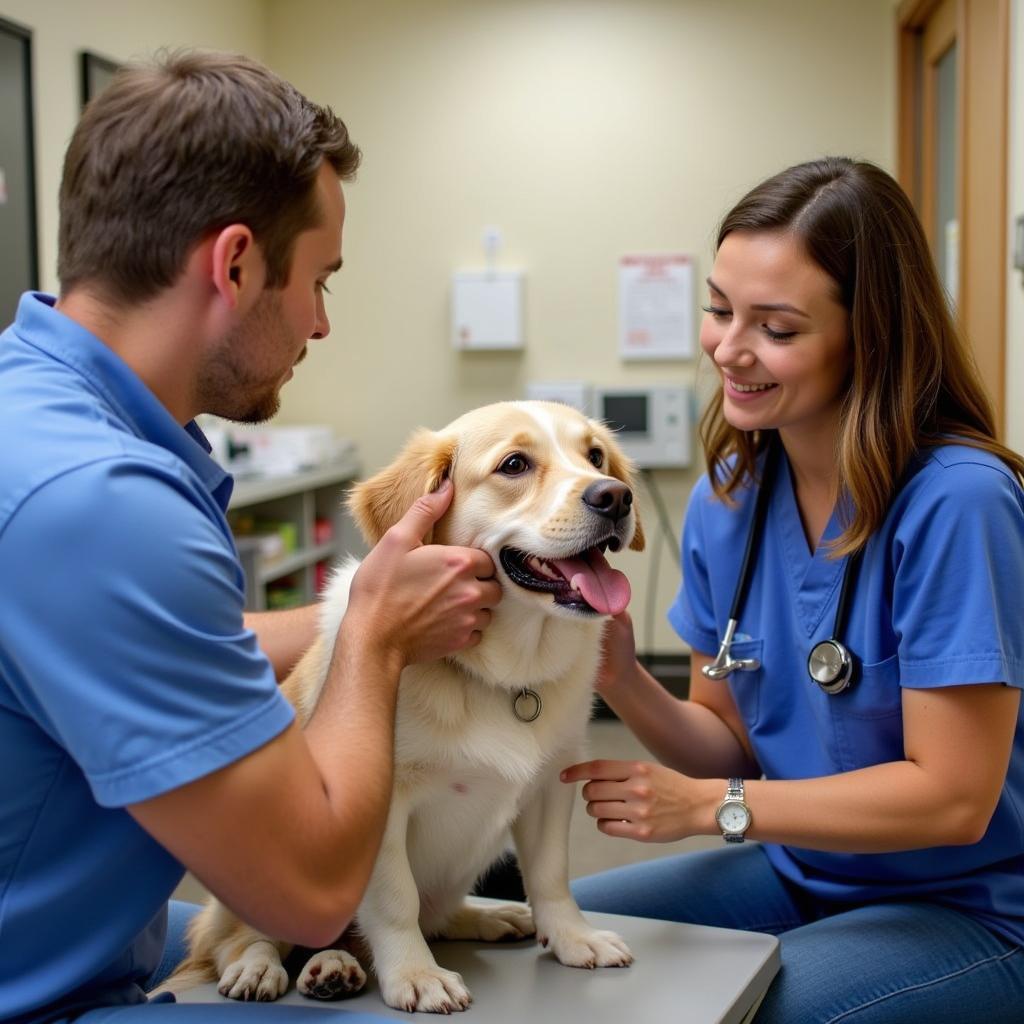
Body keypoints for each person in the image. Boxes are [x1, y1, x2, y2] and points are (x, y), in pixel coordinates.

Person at [0, 51, 501, 1024]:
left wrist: (361, 605)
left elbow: (195, 652)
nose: (319, 321)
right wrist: (372, 637)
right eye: (319, 280)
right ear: (233, 263)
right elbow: (307, 894)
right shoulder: (103, 505)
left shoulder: (35, 410)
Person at [563, 157, 1024, 1022]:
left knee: (740, 1012)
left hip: (972, 907)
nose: (730, 349)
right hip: (797, 862)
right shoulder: (729, 498)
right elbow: (729, 742)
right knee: (559, 947)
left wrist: (713, 809)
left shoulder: (958, 502)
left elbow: (955, 800)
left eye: (776, 327)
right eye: (718, 309)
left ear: (870, 335)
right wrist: (619, 675)